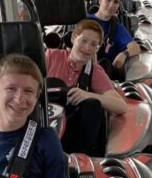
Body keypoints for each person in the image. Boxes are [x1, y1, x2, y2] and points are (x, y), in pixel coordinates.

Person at [45, 19, 128, 157]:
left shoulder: (94, 71)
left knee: (92, 105)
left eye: (94, 44)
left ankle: (80, 160)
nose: (87, 48)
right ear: (73, 38)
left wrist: (88, 95)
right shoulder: (50, 57)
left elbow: (121, 106)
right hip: (44, 123)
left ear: (97, 49)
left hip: (71, 136)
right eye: (83, 40)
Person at [89, 0, 141, 79]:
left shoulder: (117, 28)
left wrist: (124, 54)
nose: (111, 5)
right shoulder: (85, 21)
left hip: (104, 75)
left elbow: (135, 47)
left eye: (115, 2)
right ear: (100, 0)